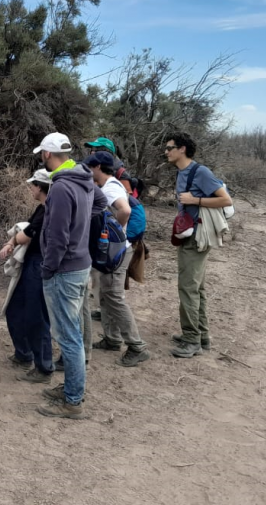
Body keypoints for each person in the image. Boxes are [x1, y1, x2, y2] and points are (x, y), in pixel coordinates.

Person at [33, 132, 93, 420]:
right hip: (81, 264)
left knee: (68, 337)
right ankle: (73, 388)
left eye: (41, 154)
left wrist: (48, 268)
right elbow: (102, 206)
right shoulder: (84, 177)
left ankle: (72, 401)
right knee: (74, 333)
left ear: (47, 154)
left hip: (64, 269)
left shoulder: (59, 187)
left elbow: (57, 236)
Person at [165, 132, 232, 358]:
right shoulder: (183, 172)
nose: (166, 152)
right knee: (196, 287)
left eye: (169, 147)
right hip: (189, 235)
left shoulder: (200, 172)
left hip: (197, 237)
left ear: (182, 149)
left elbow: (225, 199)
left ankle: (192, 339)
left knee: (188, 287)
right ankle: (201, 336)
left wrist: (195, 200)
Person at [85, 151, 150, 367]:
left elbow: (125, 210)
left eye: (89, 167)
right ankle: (112, 338)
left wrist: (114, 232)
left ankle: (137, 346)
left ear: (97, 167)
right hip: (114, 250)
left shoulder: (111, 187)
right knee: (105, 293)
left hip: (116, 251)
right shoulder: (109, 185)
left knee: (113, 296)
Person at [0, 169, 55, 385]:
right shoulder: (42, 208)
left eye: (32, 185)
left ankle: (44, 366)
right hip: (32, 263)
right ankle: (24, 353)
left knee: (37, 316)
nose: (30, 188)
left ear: (40, 187)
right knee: (15, 308)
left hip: (39, 265)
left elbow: (26, 234)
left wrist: (12, 241)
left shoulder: (49, 209)